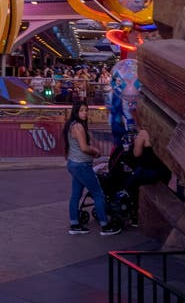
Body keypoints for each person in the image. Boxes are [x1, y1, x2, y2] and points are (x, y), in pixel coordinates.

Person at [63, 101, 121, 236]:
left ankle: (75, 224)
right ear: (76, 112)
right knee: (98, 193)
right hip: (81, 165)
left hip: (74, 164)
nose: (85, 113)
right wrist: (96, 151)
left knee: (76, 195)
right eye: (82, 110)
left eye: (86, 110)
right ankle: (105, 226)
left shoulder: (71, 125)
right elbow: (84, 148)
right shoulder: (78, 126)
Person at [125, 122, 172, 223]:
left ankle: (135, 215)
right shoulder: (166, 131)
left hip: (149, 171)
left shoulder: (144, 133)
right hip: (165, 171)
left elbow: (136, 153)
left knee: (129, 185)